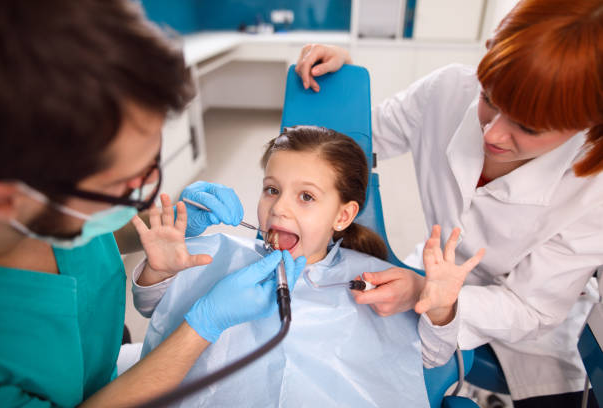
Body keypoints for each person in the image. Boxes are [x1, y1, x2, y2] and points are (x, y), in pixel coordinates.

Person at [0, 1, 304, 406]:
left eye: (149, 167)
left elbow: (84, 234)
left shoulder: (48, 210)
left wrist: (173, 219)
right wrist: (203, 326)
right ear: (5, 202)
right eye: (122, 184)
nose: (146, 194)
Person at [294, 0, 603, 406]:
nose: (493, 134)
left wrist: (431, 292)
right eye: (490, 99)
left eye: (527, 127)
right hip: (430, 272)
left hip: (522, 329)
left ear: (589, 123)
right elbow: (358, 142)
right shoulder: (449, 90)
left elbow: (529, 308)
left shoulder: (592, 190)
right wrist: (343, 87)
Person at [136, 126, 484, 407]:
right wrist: (161, 271)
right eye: (272, 190)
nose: (279, 209)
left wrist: (440, 311)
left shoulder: (372, 280)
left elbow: (430, 356)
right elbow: (154, 308)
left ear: (343, 215)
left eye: (306, 197)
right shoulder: (222, 254)